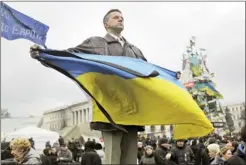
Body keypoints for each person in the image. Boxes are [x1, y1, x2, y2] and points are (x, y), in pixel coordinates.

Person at [29, 9, 146, 164]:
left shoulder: (134, 50)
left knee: (130, 159)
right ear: (106, 24)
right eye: (116, 17)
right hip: (109, 110)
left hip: (131, 111)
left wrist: (172, 76)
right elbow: (70, 55)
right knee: (113, 157)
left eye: (122, 17)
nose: (120, 19)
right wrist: (45, 54)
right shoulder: (96, 43)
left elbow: (149, 73)